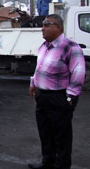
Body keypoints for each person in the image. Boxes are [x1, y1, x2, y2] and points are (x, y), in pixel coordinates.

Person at [28, 14, 85, 169]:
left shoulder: (70, 47)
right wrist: (33, 83)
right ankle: (48, 162)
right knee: (45, 133)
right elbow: (38, 67)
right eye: (43, 25)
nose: (42, 28)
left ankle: (62, 165)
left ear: (58, 27)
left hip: (59, 97)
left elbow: (78, 73)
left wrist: (70, 97)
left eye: (46, 25)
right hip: (42, 97)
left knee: (62, 136)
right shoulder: (44, 46)